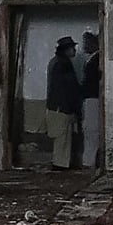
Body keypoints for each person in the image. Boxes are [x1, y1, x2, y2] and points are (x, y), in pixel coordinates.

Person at [46, 36, 81, 171]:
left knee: (61, 137)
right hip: (63, 106)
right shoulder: (63, 64)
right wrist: (72, 108)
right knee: (63, 137)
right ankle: (60, 164)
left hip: (56, 105)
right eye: (72, 48)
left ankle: (60, 162)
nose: (74, 51)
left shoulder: (55, 62)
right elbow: (68, 88)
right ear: (66, 50)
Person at [81, 32, 102, 168]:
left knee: (92, 130)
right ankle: (89, 160)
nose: (84, 46)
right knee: (89, 130)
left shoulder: (97, 59)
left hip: (93, 98)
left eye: (87, 43)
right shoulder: (92, 59)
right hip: (90, 98)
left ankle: (90, 161)